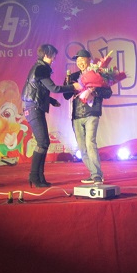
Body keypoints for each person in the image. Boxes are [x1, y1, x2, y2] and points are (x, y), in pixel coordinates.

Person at [21, 44, 82, 188]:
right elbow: (54, 88)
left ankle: (40, 177)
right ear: (46, 55)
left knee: (44, 143)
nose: (54, 58)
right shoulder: (41, 69)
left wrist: (52, 101)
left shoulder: (39, 68)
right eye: (52, 55)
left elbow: (37, 90)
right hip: (33, 108)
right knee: (42, 142)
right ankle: (34, 176)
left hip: (35, 107)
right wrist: (73, 87)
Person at [64, 49, 112, 185]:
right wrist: (70, 86)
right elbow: (66, 96)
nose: (79, 62)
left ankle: (97, 176)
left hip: (92, 112)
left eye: (82, 59)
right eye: (77, 60)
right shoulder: (73, 76)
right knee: (82, 147)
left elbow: (108, 93)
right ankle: (94, 173)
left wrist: (94, 89)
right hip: (76, 115)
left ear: (89, 60)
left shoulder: (98, 74)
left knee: (90, 143)